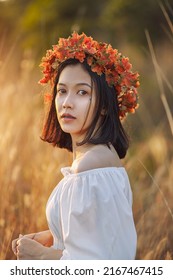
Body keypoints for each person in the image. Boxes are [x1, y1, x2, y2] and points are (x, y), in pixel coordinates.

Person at [12, 32, 140, 260]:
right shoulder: (102, 156)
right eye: (62, 91)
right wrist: (52, 236)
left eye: (82, 92)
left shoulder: (90, 169)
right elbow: (102, 236)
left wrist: (39, 255)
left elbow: (91, 267)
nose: (67, 102)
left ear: (104, 106)